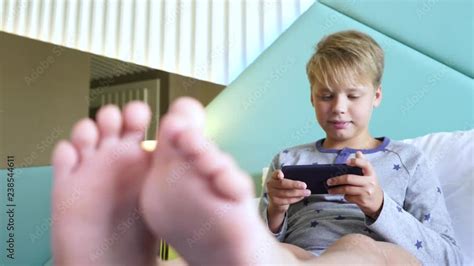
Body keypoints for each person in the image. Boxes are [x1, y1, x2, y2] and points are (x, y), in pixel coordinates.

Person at [259, 30, 464, 264]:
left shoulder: (409, 160)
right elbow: (248, 242)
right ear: (312, 98)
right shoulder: (287, 160)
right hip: (302, 256)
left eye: (353, 96)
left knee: (354, 243)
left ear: (376, 96)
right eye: (326, 96)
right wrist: (275, 211)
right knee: (266, 253)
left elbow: (450, 259)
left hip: (374, 255)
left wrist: (379, 205)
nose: (339, 107)